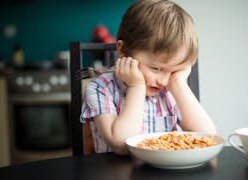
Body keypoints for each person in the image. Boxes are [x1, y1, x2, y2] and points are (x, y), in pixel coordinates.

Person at [81, 0, 216, 155]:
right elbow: (121, 145)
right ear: (123, 50)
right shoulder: (100, 88)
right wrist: (136, 87)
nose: (164, 81)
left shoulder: (170, 88)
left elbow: (207, 136)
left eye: (174, 71)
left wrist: (178, 83)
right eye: (156, 68)